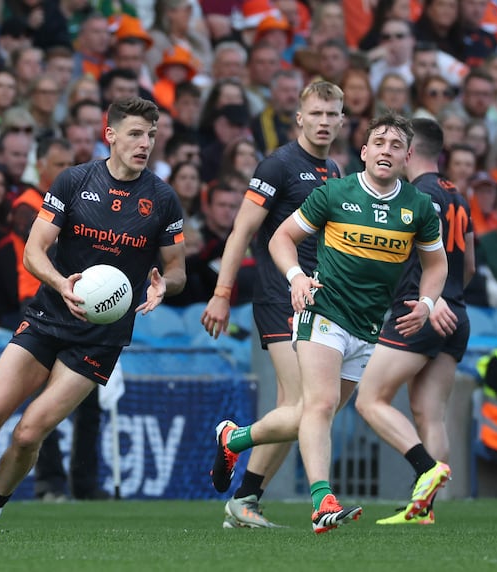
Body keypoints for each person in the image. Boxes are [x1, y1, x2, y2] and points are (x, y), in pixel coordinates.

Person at [0, 96, 186, 542]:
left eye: (151, 135)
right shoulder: (74, 181)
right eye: (135, 133)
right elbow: (34, 253)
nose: (144, 143)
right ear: (109, 134)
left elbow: (178, 269)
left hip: (102, 337)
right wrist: (61, 285)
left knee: (29, 430)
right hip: (50, 315)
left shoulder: (162, 198)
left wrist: (164, 284)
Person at [211, 113, 448, 534]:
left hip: (367, 327)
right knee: (318, 406)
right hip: (323, 311)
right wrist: (297, 277)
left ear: (408, 156)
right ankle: (323, 501)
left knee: (307, 412)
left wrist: (428, 302)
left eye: (396, 145)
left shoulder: (418, 207)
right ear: (364, 151)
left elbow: (436, 264)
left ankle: (235, 438)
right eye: (379, 142)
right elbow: (280, 237)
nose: (386, 151)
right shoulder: (335, 192)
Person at [200, 80, 344, 529]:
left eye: (331, 114)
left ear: (341, 120)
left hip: (320, 302)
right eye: (315, 114)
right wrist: (223, 294)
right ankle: (233, 440)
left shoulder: (336, 170)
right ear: (299, 117)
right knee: (308, 406)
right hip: (279, 295)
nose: (323, 122)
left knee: (297, 408)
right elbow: (240, 232)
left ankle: (245, 501)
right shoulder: (279, 165)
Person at [355, 118, 473, 525]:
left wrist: (429, 299)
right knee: (429, 413)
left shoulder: (418, 193)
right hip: (457, 313)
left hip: (420, 311)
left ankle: (426, 469)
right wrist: (448, 297)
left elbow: (418, 256)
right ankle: (424, 509)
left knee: (369, 398)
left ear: (411, 151)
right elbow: (469, 264)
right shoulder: (458, 195)